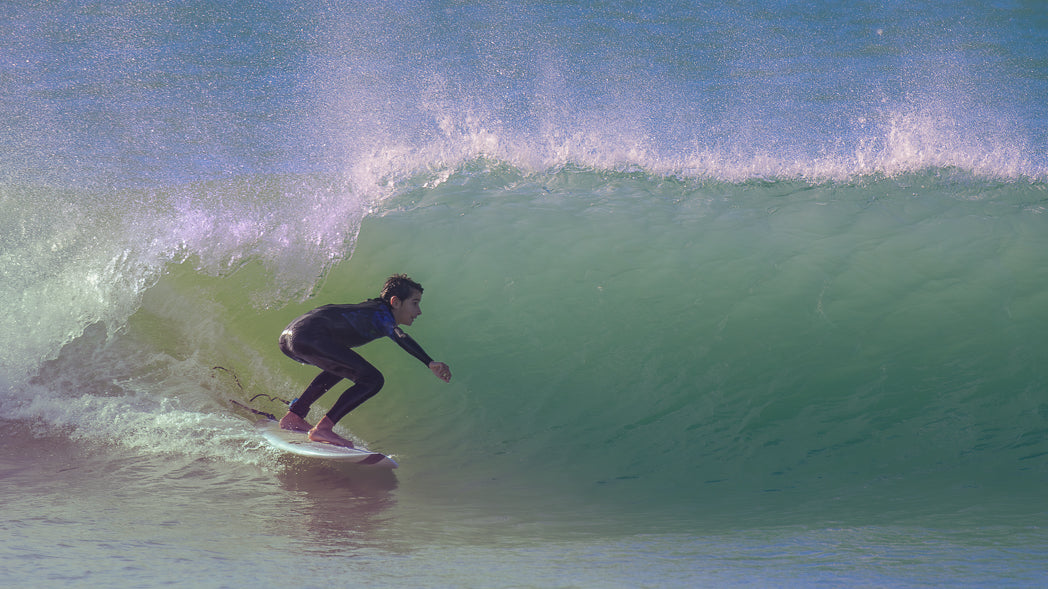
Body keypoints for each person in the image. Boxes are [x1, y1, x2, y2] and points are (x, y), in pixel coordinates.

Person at [276, 274, 452, 447]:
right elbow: (400, 336)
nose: (419, 311)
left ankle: (295, 416)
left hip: (288, 338)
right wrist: (429, 362)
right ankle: (323, 429)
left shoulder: (371, 309)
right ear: (395, 302)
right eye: (415, 303)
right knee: (373, 380)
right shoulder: (382, 316)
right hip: (306, 336)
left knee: (343, 366)